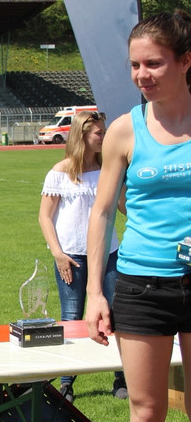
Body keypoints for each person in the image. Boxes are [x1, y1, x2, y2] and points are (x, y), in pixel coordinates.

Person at [86, 10, 191, 422]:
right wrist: (94, 291)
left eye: (154, 63)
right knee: (146, 412)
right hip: (143, 285)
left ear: (185, 61)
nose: (142, 74)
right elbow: (102, 211)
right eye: (134, 65)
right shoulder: (126, 128)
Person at [38, 110, 127, 402]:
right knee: (72, 317)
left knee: (115, 314)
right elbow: (45, 217)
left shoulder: (109, 169)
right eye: (99, 133)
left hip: (109, 252)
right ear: (82, 136)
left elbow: (126, 205)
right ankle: (66, 382)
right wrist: (58, 253)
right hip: (72, 256)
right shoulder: (60, 172)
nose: (104, 137)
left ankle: (122, 378)